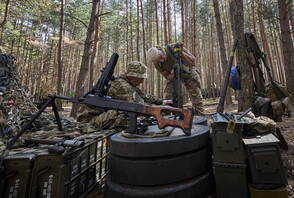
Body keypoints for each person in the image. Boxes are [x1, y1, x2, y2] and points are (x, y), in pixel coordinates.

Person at [77, 61, 171, 129]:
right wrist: (164, 110)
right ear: (132, 76)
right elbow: (140, 106)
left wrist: (163, 102)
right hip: (89, 121)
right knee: (125, 112)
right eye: (141, 77)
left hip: (101, 116)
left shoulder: (128, 83)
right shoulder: (122, 85)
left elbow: (144, 96)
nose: (142, 81)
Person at [147, 43, 204, 115]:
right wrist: (174, 73)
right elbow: (167, 76)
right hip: (174, 75)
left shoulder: (173, 48)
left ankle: (200, 117)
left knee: (196, 96)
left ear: (160, 50)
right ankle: (167, 118)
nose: (161, 61)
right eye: (159, 60)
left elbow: (193, 62)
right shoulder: (156, 62)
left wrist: (182, 54)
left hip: (188, 72)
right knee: (168, 97)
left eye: (161, 57)